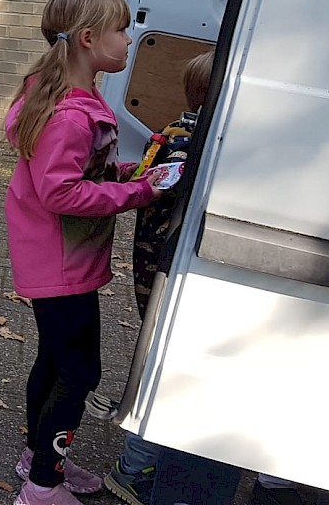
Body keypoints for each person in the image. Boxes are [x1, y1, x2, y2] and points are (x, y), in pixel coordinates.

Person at [3, 0, 166, 505]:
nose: (129, 38)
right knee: (79, 374)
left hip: (59, 259)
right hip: (62, 265)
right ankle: (41, 488)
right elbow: (61, 191)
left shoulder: (70, 96)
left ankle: (39, 459)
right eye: (122, 29)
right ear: (89, 38)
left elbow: (83, 169)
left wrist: (131, 174)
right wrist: (139, 193)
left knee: (55, 362)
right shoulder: (71, 114)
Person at [105, 49, 214, 505]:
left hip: (157, 272)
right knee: (165, 364)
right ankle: (134, 467)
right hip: (167, 275)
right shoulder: (191, 147)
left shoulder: (175, 134)